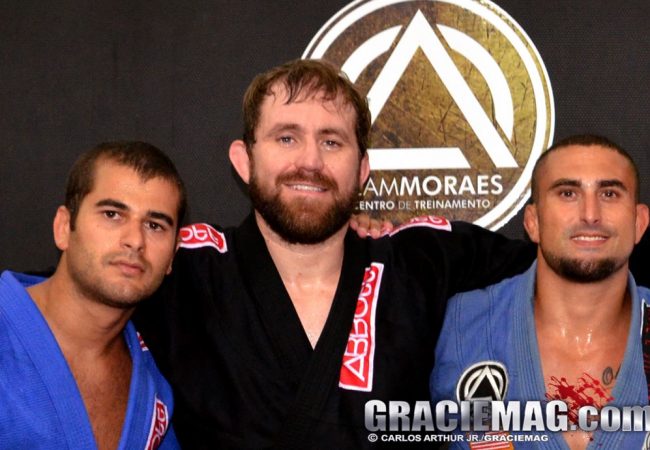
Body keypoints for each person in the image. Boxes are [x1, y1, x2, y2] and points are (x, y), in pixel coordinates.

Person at [133, 58, 538, 449]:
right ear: (245, 160)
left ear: (361, 170)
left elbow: (557, 267)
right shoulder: (186, 266)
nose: (310, 162)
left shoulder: (419, 261)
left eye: (331, 142)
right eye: (286, 138)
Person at [430, 135, 650, 449]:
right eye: (568, 193)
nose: (590, 214)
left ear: (640, 222)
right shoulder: (456, 325)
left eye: (609, 193)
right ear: (532, 222)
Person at [0, 142, 183, 449]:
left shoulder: (154, 395)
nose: (135, 240)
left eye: (154, 225)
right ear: (63, 227)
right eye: (112, 214)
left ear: (172, 256)